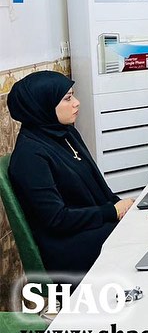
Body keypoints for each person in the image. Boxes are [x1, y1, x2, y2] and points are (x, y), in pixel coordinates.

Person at [7, 71, 133, 279]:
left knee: (142, 224)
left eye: (73, 95)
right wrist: (111, 212)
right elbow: (57, 219)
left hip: (91, 228)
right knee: (137, 240)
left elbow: (98, 186)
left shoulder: (66, 133)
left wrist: (121, 207)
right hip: (69, 248)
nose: (76, 103)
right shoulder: (30, 156)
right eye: (67, 98)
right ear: (43, 104)